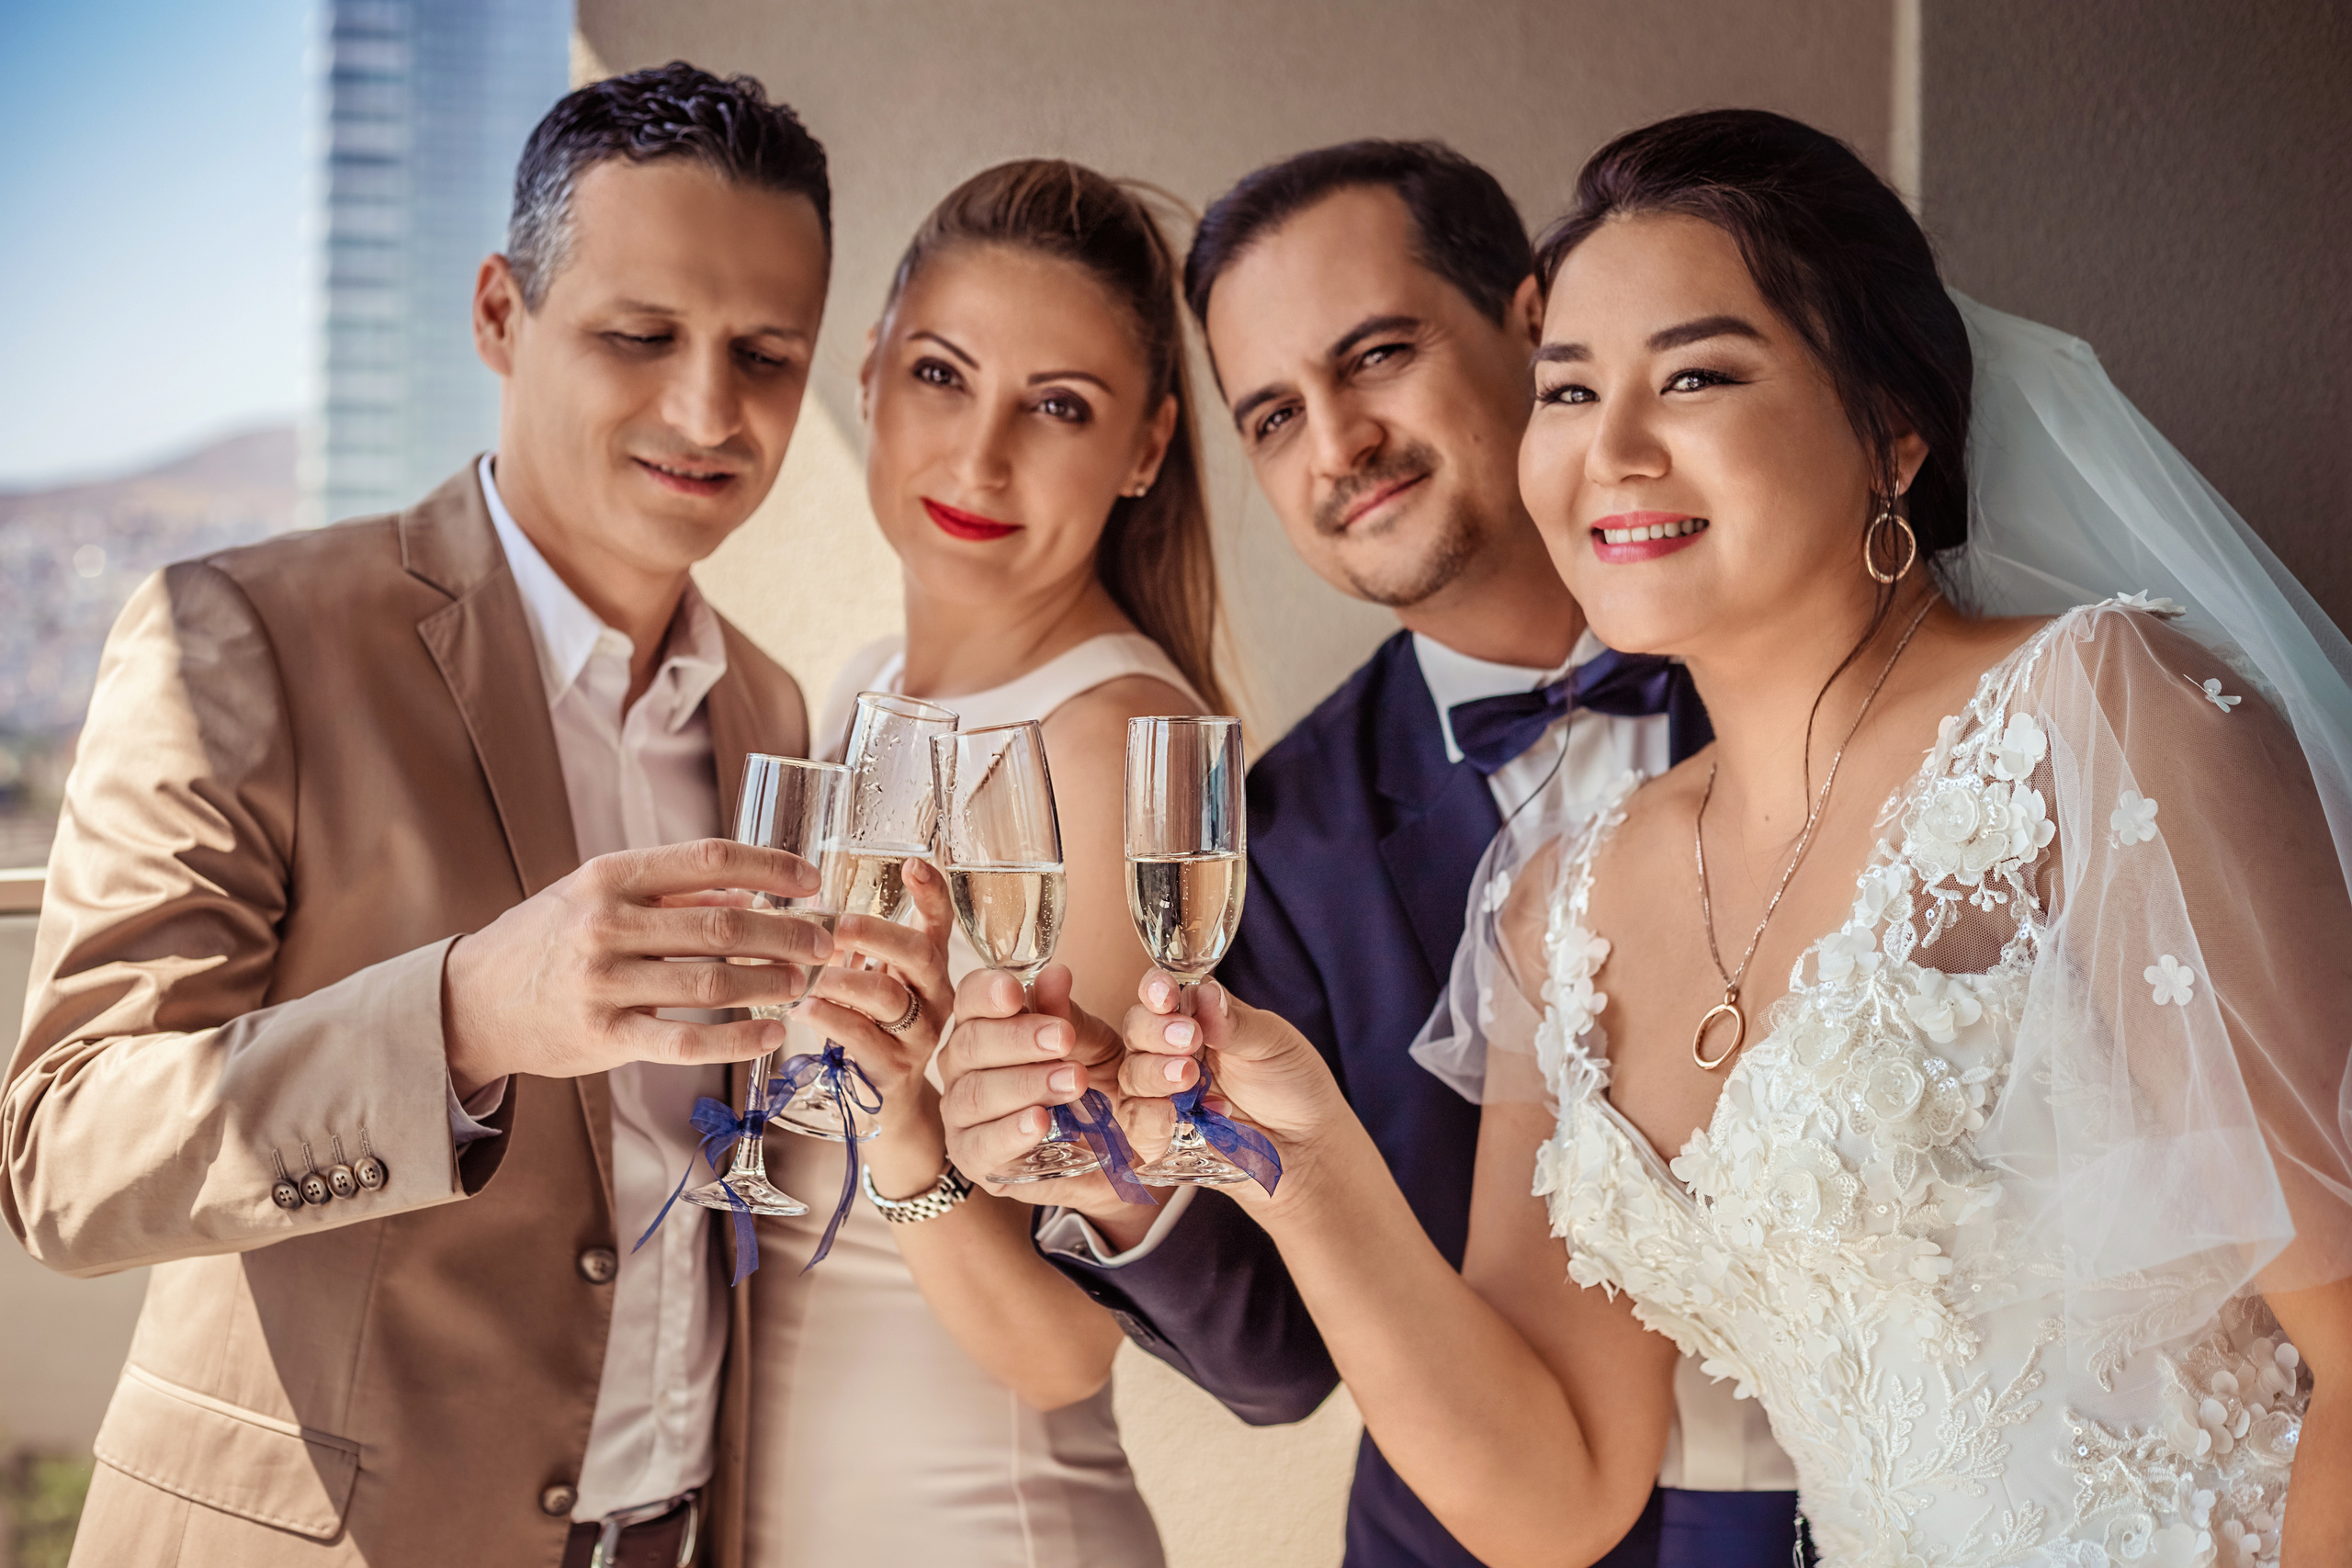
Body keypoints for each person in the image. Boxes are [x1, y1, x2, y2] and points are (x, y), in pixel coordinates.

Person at [966, 109, 2352, 1565]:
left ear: (1892, 427)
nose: (1614, 451)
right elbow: (1552, 1494)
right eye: (1571, 392)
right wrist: (1310, 1166)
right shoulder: (1569, 904)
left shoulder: (2097, 724)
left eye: (1696, 374)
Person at [0, 65, 925, 1567]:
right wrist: (462, 1019)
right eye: (642, 336)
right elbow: (66, 1157)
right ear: (500, 315)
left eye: (765, 354)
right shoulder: (236, 633)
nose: (709, 408)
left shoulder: (767, 712)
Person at [943, 141, 1796, 1568]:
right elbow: (1275, 1369)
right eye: (1273, 415)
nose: (1337, 445)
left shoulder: (1820, 666)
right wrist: (1110, 1178)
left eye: (1378, 356)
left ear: (1533, 324)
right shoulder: (1279, 838)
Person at [740, 159, 1223, 1568]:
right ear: (871, 374)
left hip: (978, 1526)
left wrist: (905, 1137)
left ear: (1146, 448)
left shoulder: (1107, 747)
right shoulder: (861, 692)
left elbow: (1069, 1344)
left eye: (1058, 406)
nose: (981, 454)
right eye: (944, 374)